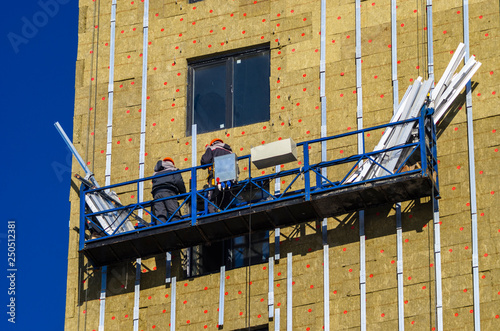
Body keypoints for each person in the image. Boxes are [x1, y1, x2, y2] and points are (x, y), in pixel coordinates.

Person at [200, 138, 233, 212]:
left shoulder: (211, 148)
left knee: (212, 197)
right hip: (229, 178)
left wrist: (207, 150)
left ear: (213, 143)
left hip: (215, 177)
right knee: (226, 197)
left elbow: (205, 161)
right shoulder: (229, 151)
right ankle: (227, 212)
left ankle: (212, 213)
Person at [151, 157, 186, 224]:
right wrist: (183, 193)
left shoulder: (155, 173)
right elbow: (179, 181)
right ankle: (176, 225)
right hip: (168, 191)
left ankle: (161, 228)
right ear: (171, 163)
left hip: (157, 193)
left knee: (160, 213)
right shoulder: (173, 169)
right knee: (173, 211)